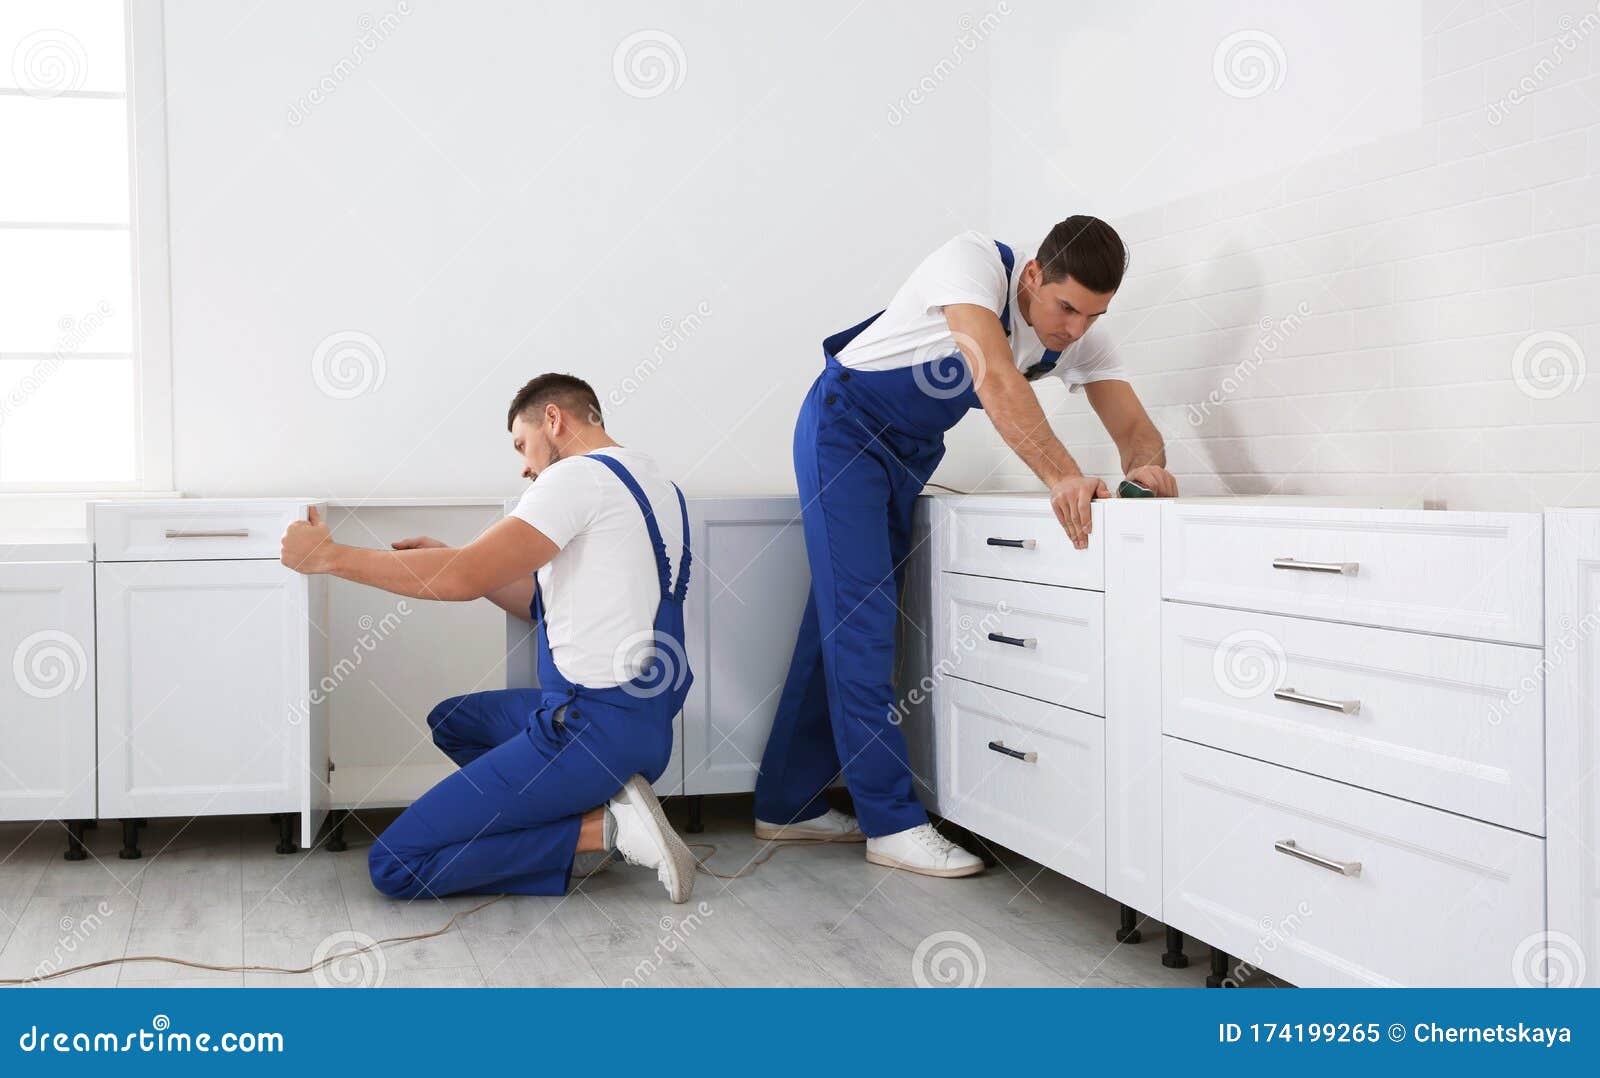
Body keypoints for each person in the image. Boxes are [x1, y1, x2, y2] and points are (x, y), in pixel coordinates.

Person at [756, 219, 1177, 878]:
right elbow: (996, 378)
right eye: (1066, 308)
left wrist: (1148, 469)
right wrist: (1063, 476)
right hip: (845, 433)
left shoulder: (1079, 335)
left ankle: (787, 802)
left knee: (838, 620)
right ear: (1032, 275)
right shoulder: (972, 264)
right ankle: (891, 824)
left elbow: (1136, 430)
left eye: (1094, 316)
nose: (1076, 329)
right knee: (862, 627)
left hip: (908, 454)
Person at [280, 373, 699, 902]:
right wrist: (452, 558)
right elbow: (538, 606)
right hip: (647, 729)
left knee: (395, 864)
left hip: (587, 733)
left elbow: (461, 577)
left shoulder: (576, 478)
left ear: (554, 419)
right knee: (455, 721)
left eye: (522, 444)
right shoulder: (658, 487)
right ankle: (603, 809)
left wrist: (328, 557)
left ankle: (603, 832)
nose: (524, 465)